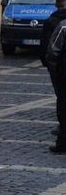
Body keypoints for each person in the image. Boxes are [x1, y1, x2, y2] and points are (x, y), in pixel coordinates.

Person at [43, 11, 66, 154]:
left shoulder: (63, 26)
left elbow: (53, 51)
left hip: (64, 74)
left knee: (63, 109)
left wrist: (54, 69)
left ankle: (62, 144)